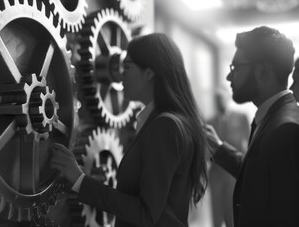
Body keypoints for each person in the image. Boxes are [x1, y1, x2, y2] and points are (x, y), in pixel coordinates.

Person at [50, 33, 208, 227]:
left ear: (149, 72)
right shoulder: (171, 123)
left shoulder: (165, 126)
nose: (120, 73)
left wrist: (80, 180)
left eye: (128, 66)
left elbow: (146, 214)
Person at [206, 26, 299, 226]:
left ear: (263, 71)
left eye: (236, 67)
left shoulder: (286, 129)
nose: (229, 77)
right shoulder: (272, 117)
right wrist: (219, 148)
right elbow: (257, 175)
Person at [207, 87, 250, 227]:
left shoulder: (241, 117)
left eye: (221, 98)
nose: (219, 101)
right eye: (216, 99)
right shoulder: (208, 122)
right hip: (216, 176)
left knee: (232, 215)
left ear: (227, 98)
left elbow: (249, 143)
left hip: (233, 175)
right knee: (217, 216)